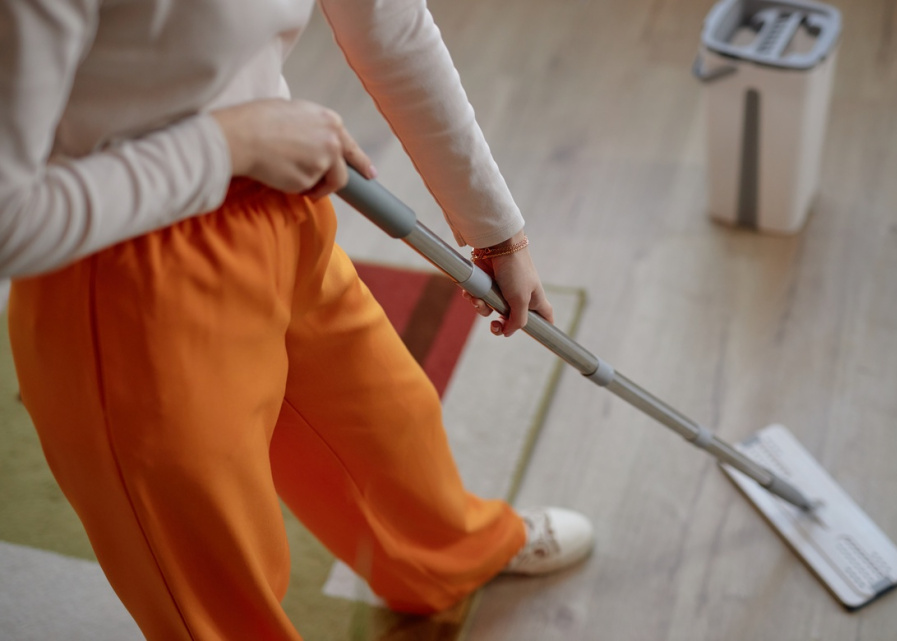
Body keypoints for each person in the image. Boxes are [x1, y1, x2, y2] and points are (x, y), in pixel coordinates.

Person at [0, 0, 594, 637]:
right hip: (126, 277)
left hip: (279, 209)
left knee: (390, 425)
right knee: (219, 582)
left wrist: (496, 231)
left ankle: (447, 560)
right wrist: (232, 142)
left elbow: (388, 22)